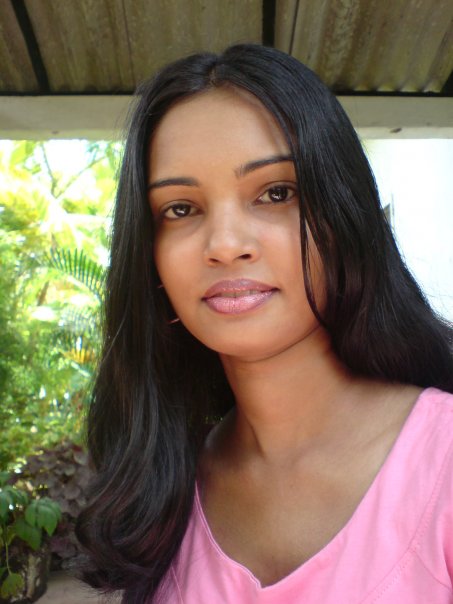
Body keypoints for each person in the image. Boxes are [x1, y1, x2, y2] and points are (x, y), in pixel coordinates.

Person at [76, 44, 453, 603]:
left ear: (344, 215)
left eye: (276, 193)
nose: (225, 245)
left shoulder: (442, 461)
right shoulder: (162, 495)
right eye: (180, 208)